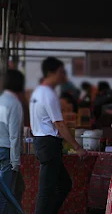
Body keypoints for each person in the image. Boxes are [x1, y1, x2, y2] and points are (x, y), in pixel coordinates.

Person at [30, 58, 86, 214]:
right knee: (46, 191)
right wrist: (77, 146)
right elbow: (59, 124)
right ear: (50, 72)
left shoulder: (38, 92)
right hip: (48, 143)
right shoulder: (48, 94)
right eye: (61, 71)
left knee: (64, 184)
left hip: (42, 142)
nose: (64, 75)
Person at [0, 69, 26, 214]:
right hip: (7, 149)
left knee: (17, 188)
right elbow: (15, 135)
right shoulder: (14, 103)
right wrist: (16, 161)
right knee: (6, 193)